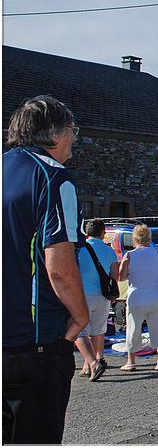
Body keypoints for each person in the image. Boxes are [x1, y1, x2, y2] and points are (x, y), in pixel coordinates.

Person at [3, 95, 90, 444]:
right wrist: (81, 317)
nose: (74, 139)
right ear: (54, 134)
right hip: (35, 340)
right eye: (72, 131)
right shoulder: (54, 178)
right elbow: (59, 266)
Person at [118, 225, 158, 372]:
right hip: (156, 295)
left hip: (136, 297)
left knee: (133, 329)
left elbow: (121, 277)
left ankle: (131, 361)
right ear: (149, 238)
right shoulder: (157, 252)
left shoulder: (129, 255)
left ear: (134, 238)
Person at [75, 219, 120, 382]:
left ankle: (92, 363)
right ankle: (93, 362)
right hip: (102, 294)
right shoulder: (109, 251)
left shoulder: (80, 249)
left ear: (87, 233)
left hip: (82, 294)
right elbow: (115, 276)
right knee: (98, 331)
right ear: (104, 233)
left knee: (79, 331)